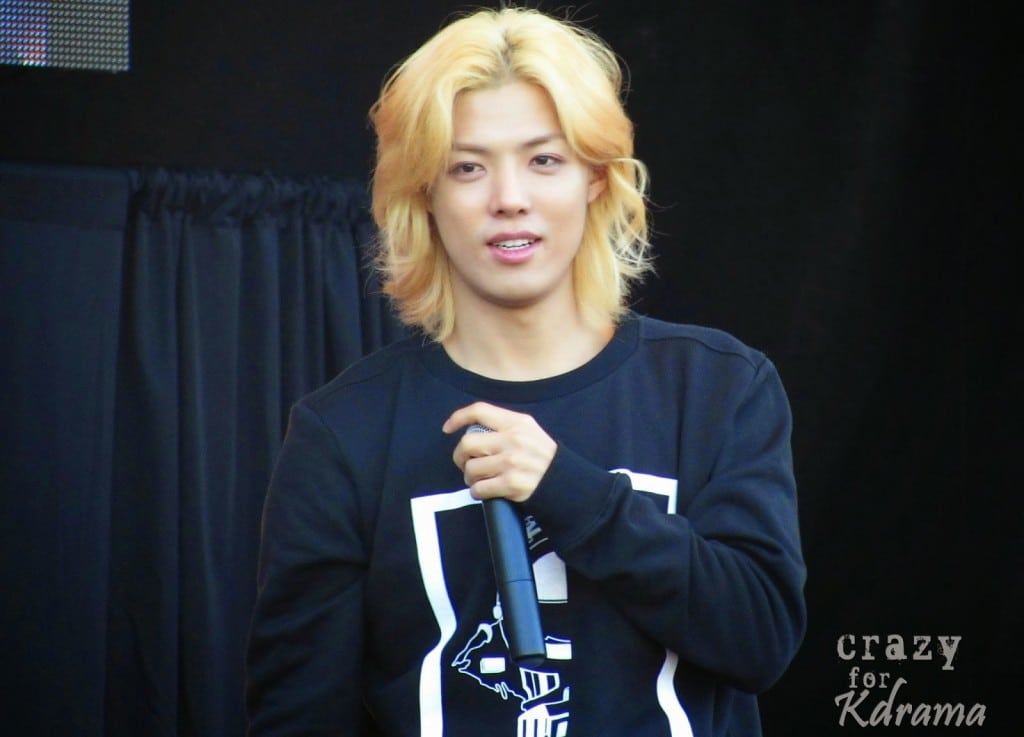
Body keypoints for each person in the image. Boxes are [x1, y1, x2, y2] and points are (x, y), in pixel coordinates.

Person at [245, 6, 806, 736]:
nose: (509, 198)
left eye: (544, 160)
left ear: (596, 179)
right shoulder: (343, 432)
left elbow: (759, 638)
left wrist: (567, 490)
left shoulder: (718, 389)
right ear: (424, 195)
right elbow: (298, 715)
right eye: (467, 167)